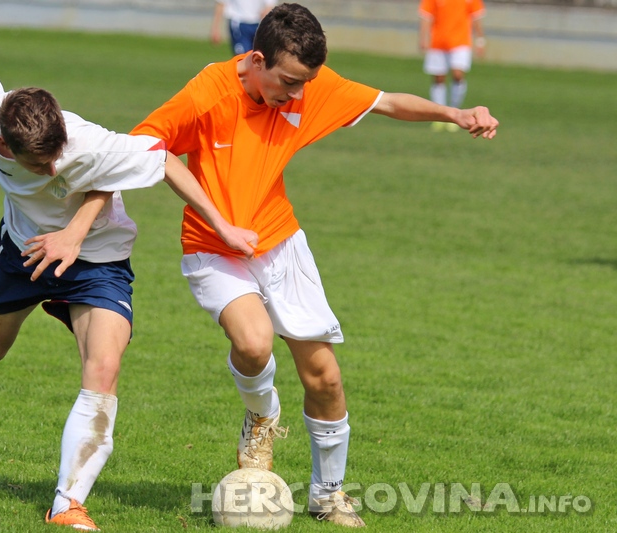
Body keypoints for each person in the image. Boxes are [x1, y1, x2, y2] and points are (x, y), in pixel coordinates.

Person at [132, 3, 498, 528]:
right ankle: (261, 418)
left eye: (304, 84)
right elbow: (149, 147)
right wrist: (219, 221)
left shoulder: (308, 84)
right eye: (286, 82)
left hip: (280, 241)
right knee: (254, 343)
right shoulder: (208, 93)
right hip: (213, 247)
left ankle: (328, 494)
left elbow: (388, 101)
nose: (296, 96)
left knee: (324, 376)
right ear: (256, 59)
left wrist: (456, 115)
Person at [0, 33, 258, 531]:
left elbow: (161, 159)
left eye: (56, 156)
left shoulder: (82, 140)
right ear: (4, 143)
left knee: (104, 366)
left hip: (99, 260)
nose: (54, 168)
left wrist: (221, 226)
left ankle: (66, 502)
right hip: (24, 252)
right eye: (41, 165)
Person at [419, 0, 487, 132]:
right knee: (439, 78)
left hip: (461, 42)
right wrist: (423, 37)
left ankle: (455, 111)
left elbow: (476, 17)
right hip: (438, 42)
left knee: (458, 74)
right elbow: (426, 16)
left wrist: (480, 40)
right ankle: (439, 115)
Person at [210, 0, 277, 55]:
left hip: (258, 23)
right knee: (242, 58)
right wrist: (216, 28)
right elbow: (221, 3)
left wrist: (267, 11)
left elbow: (270, 4)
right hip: (239, 23)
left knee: (259, 57)